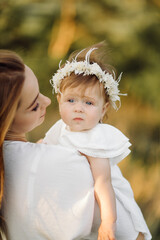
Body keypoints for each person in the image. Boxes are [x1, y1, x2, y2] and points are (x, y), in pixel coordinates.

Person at [43, 43, 152, 240]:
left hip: (112, 210)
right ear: (59, 100)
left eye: (89, 103)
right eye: (71, 100)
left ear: (103, 109)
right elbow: (44, 147)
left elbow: (103, 183)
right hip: (83, 210)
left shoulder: (96, 138)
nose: (79, 108)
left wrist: (108, 222)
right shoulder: (59, 128)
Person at [0, 50, 96, 240]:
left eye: (40, 92)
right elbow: (129, 231)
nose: (48, 100)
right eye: (34, 106)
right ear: (6, 119)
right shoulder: (66, 160)